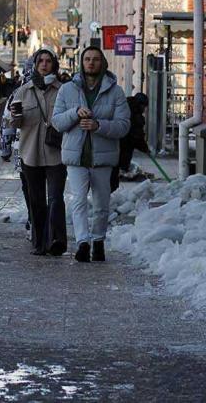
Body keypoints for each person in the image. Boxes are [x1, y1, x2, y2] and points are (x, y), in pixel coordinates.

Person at [52, 46, 130, 262]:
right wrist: (74, 113)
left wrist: (99, 125)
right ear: (81, 62)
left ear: (102, 63)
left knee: (101, 203)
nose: (91, 63)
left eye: (95, 59)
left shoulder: (116, 92)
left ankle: (98, 241)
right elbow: (57, 122)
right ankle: (82, 243)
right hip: (76, 157)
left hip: (103, 158)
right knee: (78, 200)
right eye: (87, 59)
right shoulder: (67, 90)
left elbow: (123, 126)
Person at [11, 49, 67, 256]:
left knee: (55, 198)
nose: (44, 64)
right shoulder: (24, 91)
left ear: (54, 64)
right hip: (30, 153)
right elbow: (15, 122)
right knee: (36, 201)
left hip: (56, 153)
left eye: (48, 61)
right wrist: (15, 118)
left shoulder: (63, 90)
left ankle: (57, 240)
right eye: (40, 61)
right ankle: (39, 242)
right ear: (35, 65)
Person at [111, 93, 151, 193]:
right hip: (123, 148)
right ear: (140, 104)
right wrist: (145, 148)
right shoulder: (135, 116)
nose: (144, 109)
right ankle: (110, 198)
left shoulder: (123, 108)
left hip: (114, 146)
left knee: (111, 172)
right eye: (144, 106)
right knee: (113, 177)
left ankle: (110, 197)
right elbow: (137, 135)